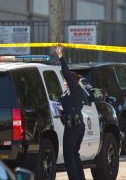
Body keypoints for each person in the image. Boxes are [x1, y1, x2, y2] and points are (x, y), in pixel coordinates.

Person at [56, 46, 85, 180]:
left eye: (65, 80)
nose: (64, 81)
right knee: (74, 154)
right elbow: (62, 104)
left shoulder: (75, 89)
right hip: (75, 126)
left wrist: (60, 56)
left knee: (69, 155)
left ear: (70, 82)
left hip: (74, 127)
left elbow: (66, 73)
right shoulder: (66, 95)